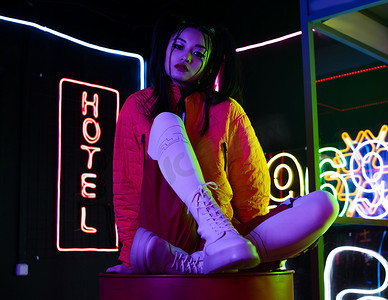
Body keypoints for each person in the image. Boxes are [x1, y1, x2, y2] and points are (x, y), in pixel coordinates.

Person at [107, 15, 338, 275]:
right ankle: (214, 248)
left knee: (325, 204)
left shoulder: (227, 110)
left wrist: (258, 232)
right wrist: (129, 257)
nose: (186, 57)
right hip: (165, 234)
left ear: (209, 64)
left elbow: (250, 186)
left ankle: (218, 252)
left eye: (198, 53)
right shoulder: (139, 105)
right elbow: (127, 186)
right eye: (179, 46)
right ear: (165, 48)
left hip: (225, 233)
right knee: (165, 122)